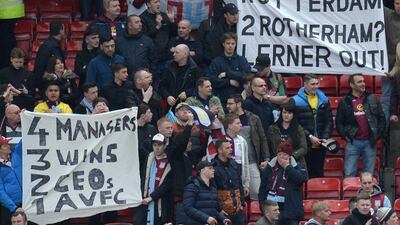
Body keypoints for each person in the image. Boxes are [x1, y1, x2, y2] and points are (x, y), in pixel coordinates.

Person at [336, 74, 386, 177]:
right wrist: (345, 136)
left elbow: (382, 119)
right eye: (359, 82)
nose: (363, 84)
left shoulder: (372, 98)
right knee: (349, 173)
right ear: (352, 85)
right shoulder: (345, 101)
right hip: (353, 142)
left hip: (370, 142)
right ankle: (351, 193)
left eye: (363, 81)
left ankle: (367, 194)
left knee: (369, 175)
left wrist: (377, 135)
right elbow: (339, 122)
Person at [226, 94, 269, 200]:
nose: (227, 106)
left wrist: (266, 158)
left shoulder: (253, 118)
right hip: (232, 163)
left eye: (230, 103)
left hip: (251, 161)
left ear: (239, 104)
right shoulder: (226, 120)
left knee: (257, 192)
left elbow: (262, 138)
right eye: (227, 103)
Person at [292, 74, 333, 178]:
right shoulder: (295, 101)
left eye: (317, 84)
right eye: (312, 84)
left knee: (318, 174)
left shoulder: (324, 99)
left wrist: (325, 137)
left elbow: (328, 120)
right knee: (304, 175)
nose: (315, 86)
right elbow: (295, 123)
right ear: (305, 84)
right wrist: (309, 136)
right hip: (304, 144)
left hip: (320, 145)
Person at [258, 141, 308, 225]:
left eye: (284, 155)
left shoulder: (297, 167)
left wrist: (288, 167)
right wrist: (264, 207)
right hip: (272, 211)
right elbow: (262, 189)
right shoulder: (270, 168)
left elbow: (301, 179)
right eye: (279, 154)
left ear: (289, 156)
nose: (281, 157)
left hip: (291, 212)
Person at [135, 133, 172, 225]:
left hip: (160, 202)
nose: (157, 148)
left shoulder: (170, 161)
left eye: (159, 145)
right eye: (154, 145)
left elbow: (166, 185)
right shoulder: (148, 158)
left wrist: (151, 197)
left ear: (165, 145)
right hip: (144, 200)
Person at [207, 32, 251, 105]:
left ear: (235, 45)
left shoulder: (241, 60)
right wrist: (229, 82)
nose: (230, 46)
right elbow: (211, 80)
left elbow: (247, 75)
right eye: (228, 43)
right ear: (223, 44)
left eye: (232, 44)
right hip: (222, 100)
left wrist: (227, 74)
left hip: (239, 100)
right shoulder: (216, 61)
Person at [183, 160, 231, 225]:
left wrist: (223, 219)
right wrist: (207, 218)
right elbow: (188, 208)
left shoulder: (213, 187)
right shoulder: (192, 186)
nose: (213, 170)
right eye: (210, 168)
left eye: (213, 168)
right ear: (202, 171)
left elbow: (213, 209)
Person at [212, 138, 246, 225]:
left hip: (238, 209)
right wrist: (219, 209)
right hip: (224, 212)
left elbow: (240, 184)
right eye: (227, 148)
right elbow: (212, 191)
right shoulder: (213, 167)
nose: (231, 150)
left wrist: (242, 203)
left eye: (230, 147)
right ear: (219, 150)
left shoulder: (234, 164)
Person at [268, 101, 308, 167]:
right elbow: (269, 147)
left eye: (289, 113)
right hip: (277, 162)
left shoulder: (298, 128)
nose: (286, 115)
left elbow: (304, 148)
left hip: (296, 162)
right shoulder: (272, 128)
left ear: (293, 114)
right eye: (284, 112)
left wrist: (291, 156)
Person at [140, 0, 177, 64]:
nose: (159, 4)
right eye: (155, 2)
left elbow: (174, 34)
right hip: (152, 56)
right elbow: (144, 38)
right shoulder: (142, 18)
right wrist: (157, 26)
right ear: (148, 4)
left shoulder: (164, 15)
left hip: (167, 55)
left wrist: (172, 21)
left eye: (159, 2)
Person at [34, 22, 66, 92]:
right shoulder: (47, 46)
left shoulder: (53, 44)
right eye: (63, 29)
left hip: (56, 84)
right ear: (60, 30)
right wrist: (39, 85)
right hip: (48, 86)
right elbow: (39, 67)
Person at [223, 113, 250, 198]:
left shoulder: (242, 141)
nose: (241, 125)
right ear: (230, 125)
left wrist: (246, 184)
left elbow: (245, 163)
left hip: (238, 178)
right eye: (238, 123)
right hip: (224, 179)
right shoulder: (220, 139)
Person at [0, 137, 22, 225]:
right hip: (10, 208)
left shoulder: (16, 156)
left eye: (8, 144)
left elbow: (24, 139)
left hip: (26, 204)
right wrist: (13, 207)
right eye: (5, 145)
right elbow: (0, 192)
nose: (9, 146)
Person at [0, 0, 24, 69]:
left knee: (5, 40)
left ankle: (7, 68)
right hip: (11, 9)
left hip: (5, 10)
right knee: (7, 38)